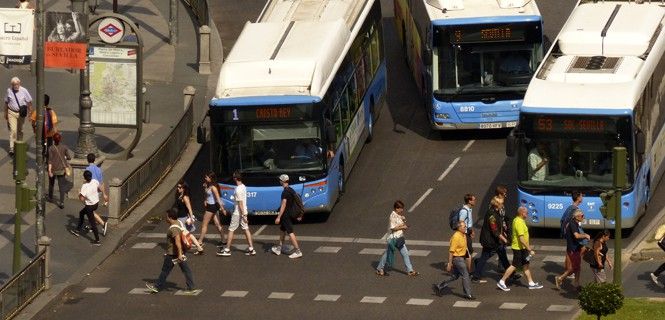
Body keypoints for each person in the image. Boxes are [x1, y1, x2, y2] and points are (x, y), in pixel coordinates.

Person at [145, 209, 201, 295]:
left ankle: (156, 287)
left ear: (170, 217)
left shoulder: (174, 229)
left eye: (166, 217)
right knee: (186, 270)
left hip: (173, 254)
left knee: (165, 271)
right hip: (178, 253)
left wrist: (179, 254)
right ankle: (191, 288)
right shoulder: (178, 223)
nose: (165, 218)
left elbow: (177, 242)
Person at [497, 207, 544, 291]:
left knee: (526, 265)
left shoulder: (518, 220)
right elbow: (521, 239)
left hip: (521, 248)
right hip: (519, 248)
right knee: (514, 265)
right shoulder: (519, 222)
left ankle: (531, 283)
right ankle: (502, 281)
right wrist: (529, 249)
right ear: (522, 213)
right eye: (526, 213)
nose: (527, 214)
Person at [375, 200, 419, 277]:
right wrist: (403, 227)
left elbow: (402, 224)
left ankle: (410, 270)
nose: (402, 210)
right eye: (401, 208)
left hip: (399, 238)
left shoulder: (398, 215)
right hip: (393, 239)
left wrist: (404, 220)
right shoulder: (392, 216)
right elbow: (393, 228)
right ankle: (379, 269)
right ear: (396, 208)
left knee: (405, 254)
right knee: (388, 254)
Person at [472, 196, 510, 283]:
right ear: (497, 204)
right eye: (501, 203)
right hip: (490, 241)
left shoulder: (496, 212)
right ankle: (476, 276)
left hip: (494, 240)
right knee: (486, 257)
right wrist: (504, 239)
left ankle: (511, 273)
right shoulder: (491, 215)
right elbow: (494, 230)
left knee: (503, 256)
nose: (502, 205)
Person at [218, 171, 256, 257]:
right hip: (243, 211)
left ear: (235, 178)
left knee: (231, 229)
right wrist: (245, 214)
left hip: (238, 213)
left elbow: (240, 203)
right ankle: (251, 249)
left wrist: (243, 216)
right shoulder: (243, 187)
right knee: (246, 229)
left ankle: (227, 250)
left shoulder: (238, 189)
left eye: (233, 177)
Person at [435, 221, 474, 300]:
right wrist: (450, 263)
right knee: (465, 275)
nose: (465, 228)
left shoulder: (463, 235)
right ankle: (468, 294)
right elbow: (451, 251)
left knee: (455, 276)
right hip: (457, 259)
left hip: (461, 258)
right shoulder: (456, 237)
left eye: (465, 226)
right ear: (459, 228)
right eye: (464, 227)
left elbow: (464, 248)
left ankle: (440, 285)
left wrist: (467, 256)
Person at [70, 170, 108, 245]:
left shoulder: (84, 187)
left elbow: (82, 199)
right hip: (96, 203)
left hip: (89, 207)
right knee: (81, 213)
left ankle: (97, 240)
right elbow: (100, 188)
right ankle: (77, 230)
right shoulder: (95, 181)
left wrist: (79, 194)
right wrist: (103, 194)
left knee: (92, 223)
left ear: (84, 178)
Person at [555, 209, 590, 291]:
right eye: (582, 216)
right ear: (577, 217)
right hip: (573, 249)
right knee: (574, 268)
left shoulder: (575, 223)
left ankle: (576, 284)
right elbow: (576, 236)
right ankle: (560, 278)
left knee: (578, 267)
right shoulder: (573, 224)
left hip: (576, 248)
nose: (583, 217)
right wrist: (585, 235)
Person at [272, 174, 303, 259]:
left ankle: (298, 251)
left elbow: (283, 205)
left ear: (282, 181)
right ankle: (279, 248)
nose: (279, 181)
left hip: (286, 215)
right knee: (282, 230)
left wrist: (278, 217)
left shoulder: (285, 192)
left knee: (290, 232)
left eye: (280, 180)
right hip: (289, 214)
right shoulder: (291, 190)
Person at [4, 77, 32, 157]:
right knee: (13, 130)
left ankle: (19, 144)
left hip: (21, 114)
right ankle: (12, 148)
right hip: (11, 112)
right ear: (11, 85)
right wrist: (5, 113)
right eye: (14, 84)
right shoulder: (9, 91)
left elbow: (29, 102)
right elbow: (6, 102)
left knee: (20, 130)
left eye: (17, 84)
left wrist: (30, 113)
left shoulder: (24, 91)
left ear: (20, 84)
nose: (16, 86)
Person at [174, 180, 204, 255]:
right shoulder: (180, 195)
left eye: (180, 187)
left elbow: (189, 208)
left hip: (183, 218)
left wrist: (192, 217)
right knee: (186, 234)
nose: (178, 188)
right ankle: (198, 247)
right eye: (177, 187)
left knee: (182, 234)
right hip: (180, 217)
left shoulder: (185, 197)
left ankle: (178, 251)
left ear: (183, 188)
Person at [198, 171, 226, 246]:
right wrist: (205, 200)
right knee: (217, 224)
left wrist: (222, 209)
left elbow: (218, 198)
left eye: (206, 177)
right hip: (212, 206)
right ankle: (223, 240)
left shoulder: (213, 187)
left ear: (210, 178)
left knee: (204, 224)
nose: (205, 178)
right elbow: (207, 195)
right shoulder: (207, 185)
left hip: (211, 207)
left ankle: (200, 241)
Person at [560, 192, 584, 280]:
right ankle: (570, 270)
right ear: (578, 198)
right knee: (573, 251)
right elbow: (572, 222)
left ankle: (568, 270)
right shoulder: (574, 209)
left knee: (569, 251)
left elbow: (562, 220)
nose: (582, 197)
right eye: (581, 196)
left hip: (568, 233)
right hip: (572, 233)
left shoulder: (570, 207)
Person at [85, 153, 109, 236]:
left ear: (87, 160)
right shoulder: (98, 169)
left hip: (91, 192)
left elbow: (86, 181)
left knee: (89, 210)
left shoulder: (87, 169)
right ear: (94, 160)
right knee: (92, 209)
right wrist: (104, 194)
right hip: (98, 191)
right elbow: (101, 183)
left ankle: (103, 223)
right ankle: (92, 224)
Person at [46, 133, 71, 209]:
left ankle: (50, 197)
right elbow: (69, 157)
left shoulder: (51, 148)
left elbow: (50, 160)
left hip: (53, 169)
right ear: (60, 139)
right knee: (61, 186)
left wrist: (49, 170)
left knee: (51, 183)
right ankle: (61, 202)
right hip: (61, 169)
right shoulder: (64, 147)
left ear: (53, 139)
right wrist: (65, 158)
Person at [458, 194, 476, 272]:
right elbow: (461, 222)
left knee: (468, 252)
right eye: (474, 200)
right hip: (464, 234)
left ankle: (467, 269)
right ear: (469, 201)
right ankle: (470, 271)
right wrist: (465, 233)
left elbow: (469, 222)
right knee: (469, 252)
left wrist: (471, 231)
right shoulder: (464, 211)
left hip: (467, 233)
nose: (475, 201)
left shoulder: (469, 209)